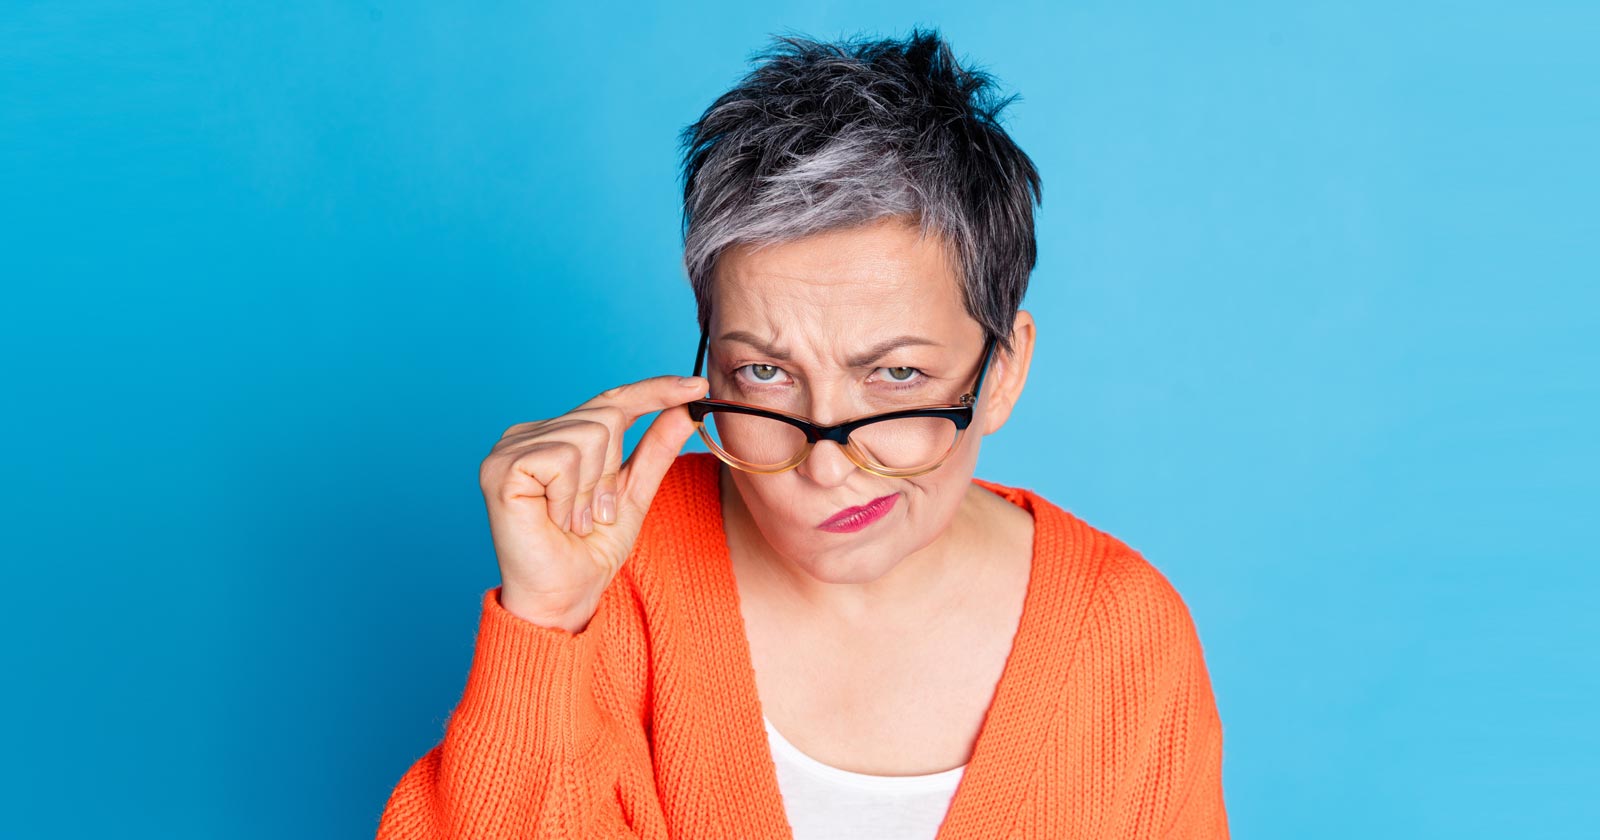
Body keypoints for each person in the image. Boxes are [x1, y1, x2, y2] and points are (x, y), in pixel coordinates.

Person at [376, 27, 1228, 840]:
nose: (824, 466)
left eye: (896, 376)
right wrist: (547, 624)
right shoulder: (612, 571)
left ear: (1001, 372)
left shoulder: (1125, 637)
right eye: (764, 372)